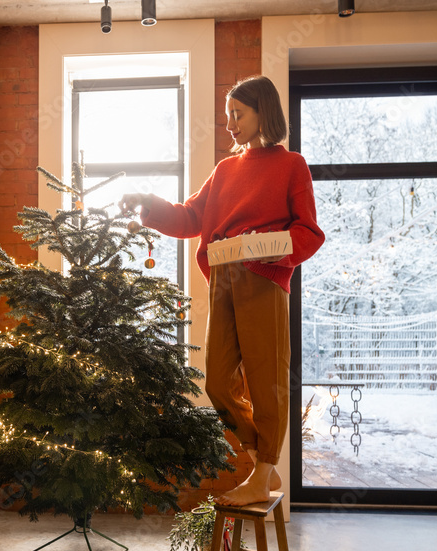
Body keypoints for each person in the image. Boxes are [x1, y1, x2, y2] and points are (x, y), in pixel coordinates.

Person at [120, 76, 325, 506]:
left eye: (238, 114)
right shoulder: (225, 170)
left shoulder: (292, 165)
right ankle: (260, 462)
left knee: (266, 381)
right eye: (227, 115)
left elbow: (309, 232)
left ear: (262, 113)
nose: (229, 124)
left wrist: (274, 250)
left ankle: (263, 471)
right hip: (223, 280)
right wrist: (148, 202)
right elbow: (189, 217)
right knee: (216, 381)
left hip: (264, 279)